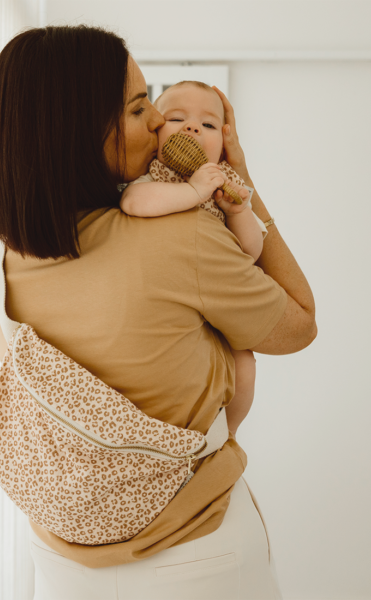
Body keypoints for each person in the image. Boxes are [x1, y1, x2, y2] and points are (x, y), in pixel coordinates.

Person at [0, 25, 317, 600]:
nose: (161, 123)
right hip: (197, 555)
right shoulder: (180, 241)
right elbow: (299, 324)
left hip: (62, 568)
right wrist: (243, 183)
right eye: (139, 109)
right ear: (79, 132)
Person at [120, 80, 269, 435]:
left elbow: (251, 250)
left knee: (245, 363)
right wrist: (192, 191)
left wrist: (238, 212)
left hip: (216, 308)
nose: (192, 128)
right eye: (176, 119)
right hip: (171, 312)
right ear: (155, 134)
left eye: (208, 125)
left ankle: (225, 435)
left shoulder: (225, 181)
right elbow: (133, 203)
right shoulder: (154, 174)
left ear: (223, 145)